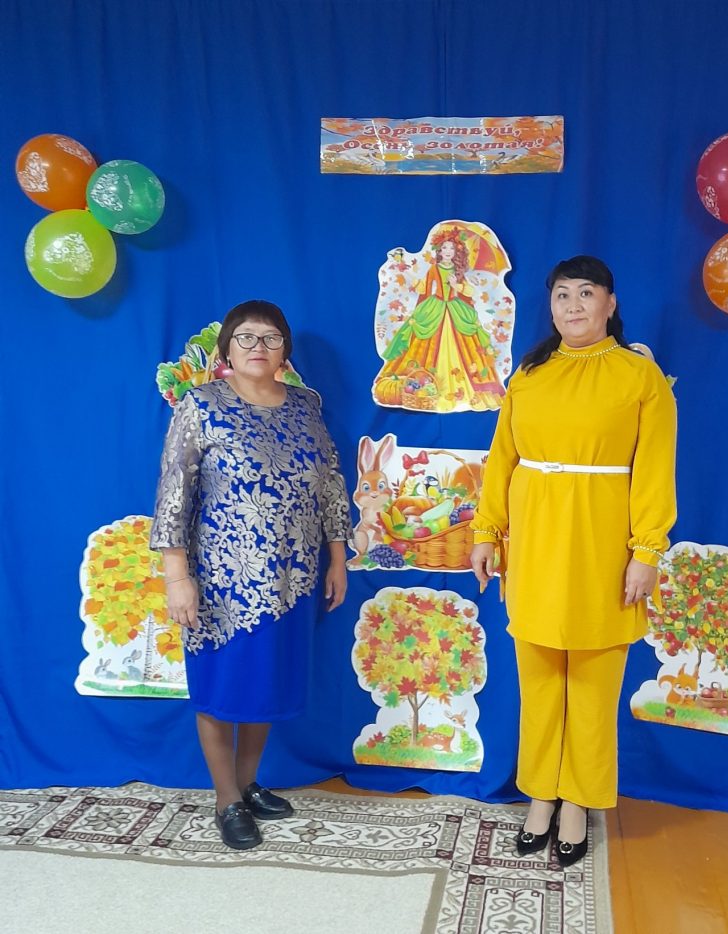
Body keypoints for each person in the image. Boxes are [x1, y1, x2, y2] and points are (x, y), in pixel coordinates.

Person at [470, 256, 676, 867]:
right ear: (551, 306)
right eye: (562, 295)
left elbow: (655, 469)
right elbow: (502, 458)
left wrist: (647, 551)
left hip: (602, 545)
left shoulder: (641, 377)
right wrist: (487, 532)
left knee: (592, 682)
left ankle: (579, 802)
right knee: (538, 679)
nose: (574, 305)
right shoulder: (530, 375)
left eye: (587, 293)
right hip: (535, 542)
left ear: (610, 303)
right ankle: (540, 795)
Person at [151, 300, 351, 850]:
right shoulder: (200, 405)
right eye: (246, 337)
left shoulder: (306, 405)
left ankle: (247, 783)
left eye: (270, 337)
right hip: (224, 582)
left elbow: (331, 483)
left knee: (266, 686)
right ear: (226, 350)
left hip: (295, 578)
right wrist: (177, 576)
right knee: (221, 689)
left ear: (285, 350)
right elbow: (173, 493)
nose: (258, 347)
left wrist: (337, 557)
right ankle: (226, 800)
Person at [373, 226, 506, 412]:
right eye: (444, 248)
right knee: (422, 346)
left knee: (468, 348)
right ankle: (425, 387)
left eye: (451, 248)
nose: (448, 251)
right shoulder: (434, 269)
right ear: (439, 251)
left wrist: (456, 285)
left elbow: (470, 292)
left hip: (455, 309)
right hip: (434, 309)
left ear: (457, 251)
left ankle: (466, 390)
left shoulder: (458, 272)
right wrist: (407, 272)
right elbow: (423, 288)